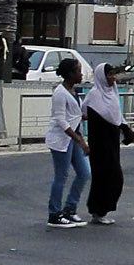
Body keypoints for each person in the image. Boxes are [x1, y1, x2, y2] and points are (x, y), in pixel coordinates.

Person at [82, 63, 134, 225]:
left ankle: (102, 209)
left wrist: (132, 136)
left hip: (112, 143)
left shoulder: (113, 93)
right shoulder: (94, 95)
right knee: (102, 177)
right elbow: (84, 112)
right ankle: (97, 211)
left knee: (115, 178)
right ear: (102, 76)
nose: (112, 78)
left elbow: (118, 118)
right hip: (99, 143)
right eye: (109, 75)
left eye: (114, 74)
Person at [45, 57, 90, 228]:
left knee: (84, 173)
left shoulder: (72, 91)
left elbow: (75, 116)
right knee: (61, 176)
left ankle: (70, 209)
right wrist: (79, 140)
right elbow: (61, 120)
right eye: (78, 71)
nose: (81, 74)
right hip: (61, 140)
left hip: (73, 138)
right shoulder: (60, 93)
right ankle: (54, 214)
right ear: (70, 73)